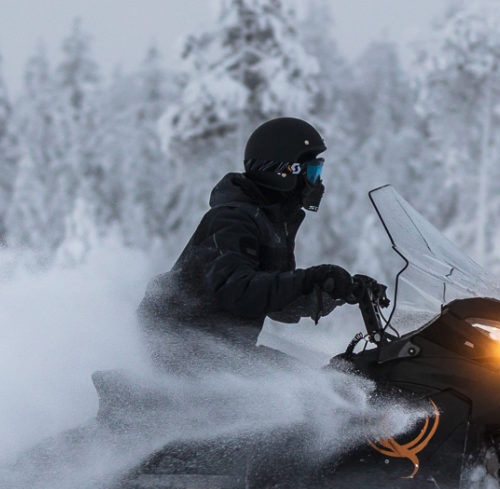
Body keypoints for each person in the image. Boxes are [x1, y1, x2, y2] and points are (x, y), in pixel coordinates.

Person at [137, 116, 366, 364]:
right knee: (303, 391)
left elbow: (278, 305)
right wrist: (309, 279)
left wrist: (341, 290)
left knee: (319, 380)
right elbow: (238, 291)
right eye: (313, 171)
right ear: (284, 171)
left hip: (219, 352)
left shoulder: (271, 222)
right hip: (183, 353)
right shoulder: (232, 220)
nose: (317, 181)